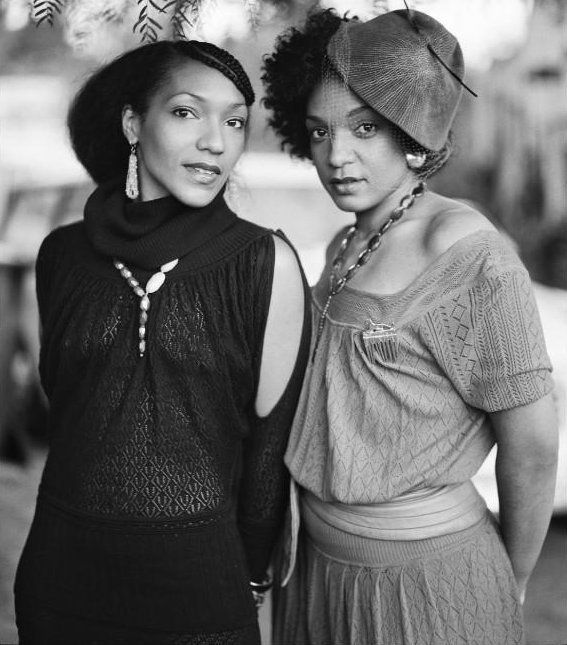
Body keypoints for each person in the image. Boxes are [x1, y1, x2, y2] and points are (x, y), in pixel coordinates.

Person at [262, 8, 558, 644]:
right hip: (318, 571)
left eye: (365, 127)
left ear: (410, 127)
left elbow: (532, 444)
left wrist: (511, 580)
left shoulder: (466, 252)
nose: (336, 155)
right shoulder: (344, 244)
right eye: (318, 131)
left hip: (427, 583)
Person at [14, 40, 310, 645]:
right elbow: (67, 414)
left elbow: (269, 450)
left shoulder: (265, 263)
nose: (216, 141)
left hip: (199, 596)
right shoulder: (61, 256)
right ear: (132, 123)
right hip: (61, 584)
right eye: (185, 112)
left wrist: (252, 577)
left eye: (234, 122)